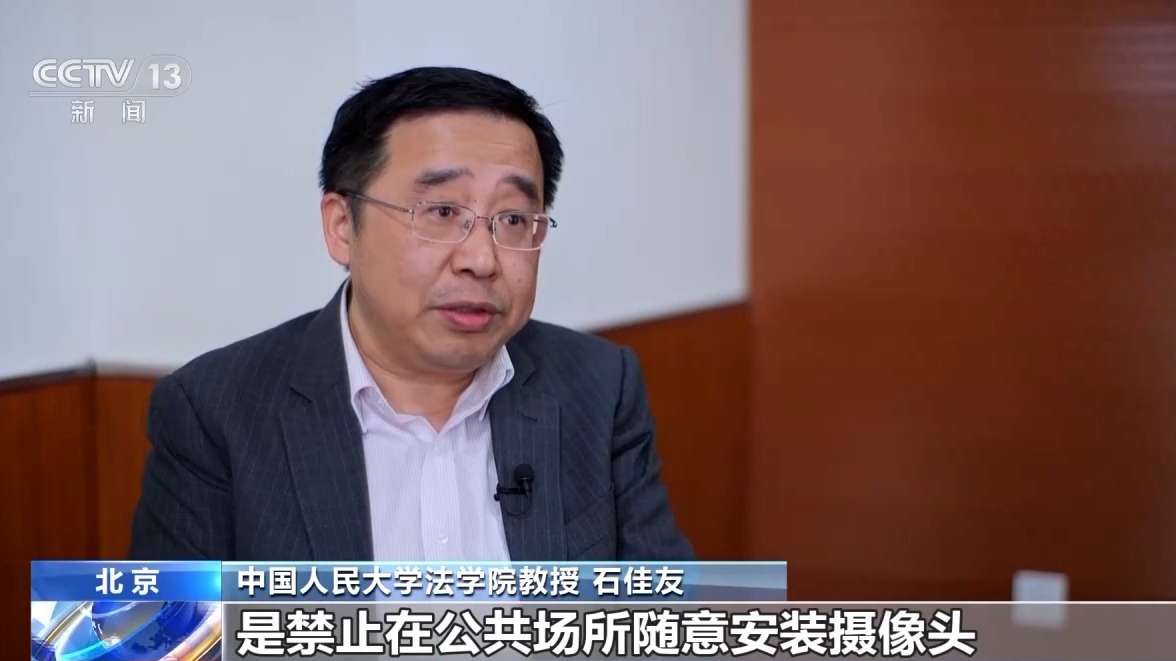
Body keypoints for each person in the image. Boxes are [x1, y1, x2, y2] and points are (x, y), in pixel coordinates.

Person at [128, 66, 694, 562]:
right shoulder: (216, 412)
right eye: (442, 211)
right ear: (342, 227)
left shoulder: (599, 387)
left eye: (514, 219)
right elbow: (167, 634)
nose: (481, 260)